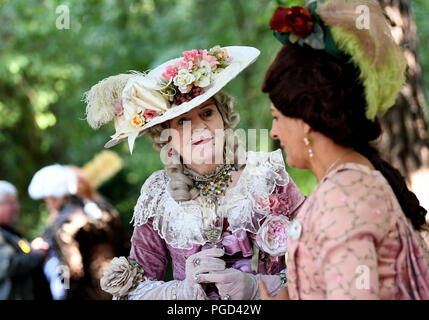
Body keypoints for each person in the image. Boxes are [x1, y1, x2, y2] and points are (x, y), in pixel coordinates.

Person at [85, 45, 306, 300]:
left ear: (223, 118)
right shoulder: (158, 196)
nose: (199, 127)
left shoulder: (266, 175)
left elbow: (319, 256)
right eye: (183, 121)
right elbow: (133, 293)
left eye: (207, 113)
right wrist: (183, 291)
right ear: (165, 137)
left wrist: (260, 287)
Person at [259, 0, 429, 299]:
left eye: (277, 117)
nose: (274, 131)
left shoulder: (344, 196)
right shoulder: (355, 179)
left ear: (305, 120)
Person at [28, 164, 129, 300]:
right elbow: (125, 243)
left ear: (52, 196)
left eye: (46, 199)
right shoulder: (101, 208)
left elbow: (70, 269)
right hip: (120, 284)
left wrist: (66, 292)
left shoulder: (63, 223)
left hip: (89, 292)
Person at [0, 180, 51, 300]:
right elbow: (7, 265)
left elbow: (19, 252)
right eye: (11, 203)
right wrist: (37, 255)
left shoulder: (7, 231)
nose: (16, 207)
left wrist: (31, 247)